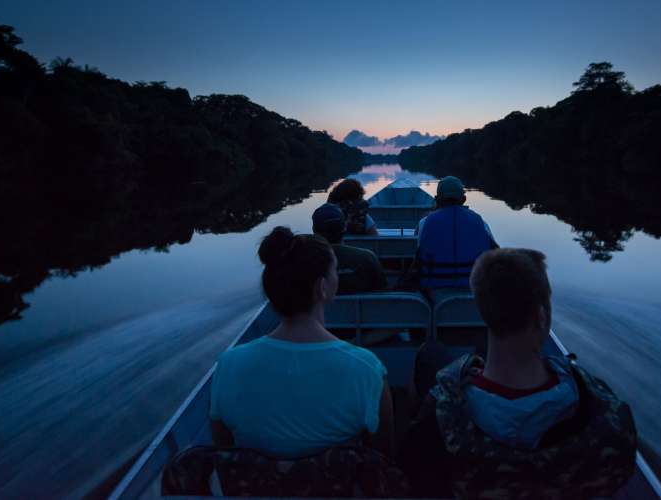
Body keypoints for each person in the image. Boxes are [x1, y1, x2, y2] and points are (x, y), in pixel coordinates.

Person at [400, 248, 638, 498]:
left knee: (430, 354)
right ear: (542, 316)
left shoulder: (434, 431)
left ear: (482, 311)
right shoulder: (610, 421)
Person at [209, 226, 394, 459]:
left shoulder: (229, 365)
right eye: (334, 270)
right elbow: (381, 458)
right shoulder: (366, 369)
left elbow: (224, 453)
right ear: (322, 287)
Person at [413, 176, 497, 289]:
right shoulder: (481, 222)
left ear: (437, 199)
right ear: (463, 199)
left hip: (434, 291)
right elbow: (496, 256)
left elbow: (418, 257)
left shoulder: (424, 223)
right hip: (473, 291)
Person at [312, 203, 387, 295]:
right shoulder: (368, 257)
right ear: (345, 228)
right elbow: (383, 291)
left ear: (314, 231)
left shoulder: (304, 262)